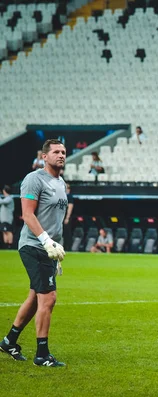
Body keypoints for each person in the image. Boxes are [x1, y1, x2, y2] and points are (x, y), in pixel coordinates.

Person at [0, 139, 67, 367]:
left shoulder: (61, 183)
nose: (61, 155)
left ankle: (9, 341)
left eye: (63, 152)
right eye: (56, 152)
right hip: (34, 245)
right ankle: (42, 355)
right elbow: (28, 215)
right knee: (48, 298)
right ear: (44, 156)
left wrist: (57, 247)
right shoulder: (34, 179)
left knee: (34, 296)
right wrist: (47, 241)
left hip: (48, 249)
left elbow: (56, 221)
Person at [62, 184, 74, 251]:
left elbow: (70, 207)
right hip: (62, 216)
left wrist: (67, 217)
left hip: (66, 217)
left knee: (67, 233)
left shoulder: (69, 196)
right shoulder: (63, 196)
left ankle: (68, 248)